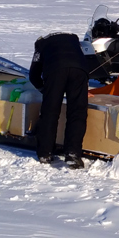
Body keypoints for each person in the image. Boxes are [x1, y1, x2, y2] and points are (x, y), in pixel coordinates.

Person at [29, 32, 90, 169]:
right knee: (77, 112)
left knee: (50, 112)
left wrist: (46, 90)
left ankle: (45, 153)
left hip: (55, 70)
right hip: (79, 69)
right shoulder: (74, 40)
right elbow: (85, 59)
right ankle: (73, 154)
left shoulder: (41, 44)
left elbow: (33, 75)